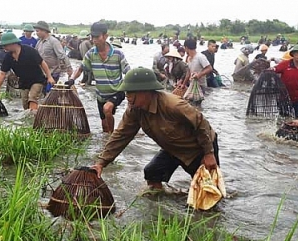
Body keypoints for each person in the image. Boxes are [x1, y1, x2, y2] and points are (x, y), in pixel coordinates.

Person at [90, 67, 219, 192]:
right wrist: (101, 163)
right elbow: (121, 135)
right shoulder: (134, 110)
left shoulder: (174, 105)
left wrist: (208, 153)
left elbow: (201, 125)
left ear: (144, 92)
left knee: (207, 190)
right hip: (172, 149)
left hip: (198, 148)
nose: (126, 96)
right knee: (152, 173)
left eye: (130, 92)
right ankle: (161, 205)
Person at [66, 22, 130, 133]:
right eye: (92, 37)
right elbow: (80, 68)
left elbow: (128, 72)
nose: (94, 40)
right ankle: (106, 139)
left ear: (105, 36)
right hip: (101, 95)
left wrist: (134, 89)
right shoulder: (90, 54)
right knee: (104, 126)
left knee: (107, 109)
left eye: (97, 37)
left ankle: (111, 139)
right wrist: (72, 79)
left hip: (117, 91)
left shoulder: (118, 54)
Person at [0, 33, 55, 110]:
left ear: (13, 43)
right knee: (25, 105)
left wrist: (49, 76)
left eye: (5, 45)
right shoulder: (8, 57)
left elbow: (42, 62)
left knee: (32, 98)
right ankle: (30, 119)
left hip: (37, 80)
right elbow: (2, 73)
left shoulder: (29, 51)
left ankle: (34, 119)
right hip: (23, 82)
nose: (4, 48)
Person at [274, 44, 298, 117]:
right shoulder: (285, 64)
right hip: (284, 96)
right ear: (293, 54)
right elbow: (274, 70)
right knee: (283, 117)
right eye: (297, 53)